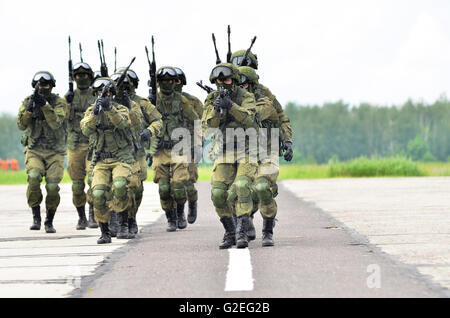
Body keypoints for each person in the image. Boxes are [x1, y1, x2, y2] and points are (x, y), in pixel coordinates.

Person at [202, 63, 259, 249]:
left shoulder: (247, 97)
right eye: (219, 80)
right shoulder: (211, 98)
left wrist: (232, 106)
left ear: (234, 81)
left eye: (225, 80)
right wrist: (217, 110)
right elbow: (209, 126)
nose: (222, 83)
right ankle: (230, 231)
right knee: (218, 193)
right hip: (224, 151)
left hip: (247, 150)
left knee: (241, 186)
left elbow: (252, 121)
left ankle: (242, 231)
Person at [80, 77, 136, 244]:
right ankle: (104, 231)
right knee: (97, 193)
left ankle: (123, 224)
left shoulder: (121, 109)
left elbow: (123, 124)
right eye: (101, 92)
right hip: (100, 161)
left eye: (108, 93)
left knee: (119, 186)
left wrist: (110, 108)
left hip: (120, 159)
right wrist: (95, 114)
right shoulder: (91, 111)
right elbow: (85, 130)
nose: (105, 95)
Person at [111, 69, 162, 235]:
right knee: (117, 187)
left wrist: (149, 131)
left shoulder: (142, 103)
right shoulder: (108, 102)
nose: (124, 88)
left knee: (136, 189)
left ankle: (131, 217)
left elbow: (157, 120)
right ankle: (121, 220)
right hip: (115, 154)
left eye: (128, 84)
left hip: (136, 152)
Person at [17, 71, 68, 233]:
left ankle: (49, 220)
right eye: (40, 84)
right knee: (33, 178)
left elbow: (56, 123)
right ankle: (36, 216)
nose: (43, 87)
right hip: (35, 149)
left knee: (52, 187)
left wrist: (45, 105)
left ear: (51, 86)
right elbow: (21, 125)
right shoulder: (28, 101)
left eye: (46, 84)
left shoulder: (59, 102)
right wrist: (30, 111)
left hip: (55, 151)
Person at [152, 66, 201, 232]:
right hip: (160, 150)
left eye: (170, 81)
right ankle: (170, 218)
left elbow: (196, 121)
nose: (167, 84)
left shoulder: (184, 101)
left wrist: (197, 145)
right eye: (163, 81)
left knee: (182, 184)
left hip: (180, 148)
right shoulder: (152, 101)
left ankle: (183, 210)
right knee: (164, 189)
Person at [239, 66, 282, 246]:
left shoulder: (265, 102)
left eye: (245, 84)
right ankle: (243, 224)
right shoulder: (231, 99)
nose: (242, 88)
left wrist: (286, 141)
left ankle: (268, 229)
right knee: (237, 188)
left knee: (262, 186)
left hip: (266, 149)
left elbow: (255, 117)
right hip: (243, 150)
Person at [64, 62, 98, 230]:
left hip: (93, 145)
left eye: (85, 75)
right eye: (78, 75)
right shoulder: (69, 97)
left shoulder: (97, 94)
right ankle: (81, 217)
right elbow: (59, 119)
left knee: (93, 181)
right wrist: (67, 103)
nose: (81, 78)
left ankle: (93, 214)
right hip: (75, 145)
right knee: (77, 185)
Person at [174, 67, 203, 224]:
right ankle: (178, 214)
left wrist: (198, 144)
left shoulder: (192, 101)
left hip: (190, 146)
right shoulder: (161, 101)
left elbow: (200, 122)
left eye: (177, 81)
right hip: (171, 147)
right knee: (174, 183)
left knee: (189, 181)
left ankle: (192, 202)